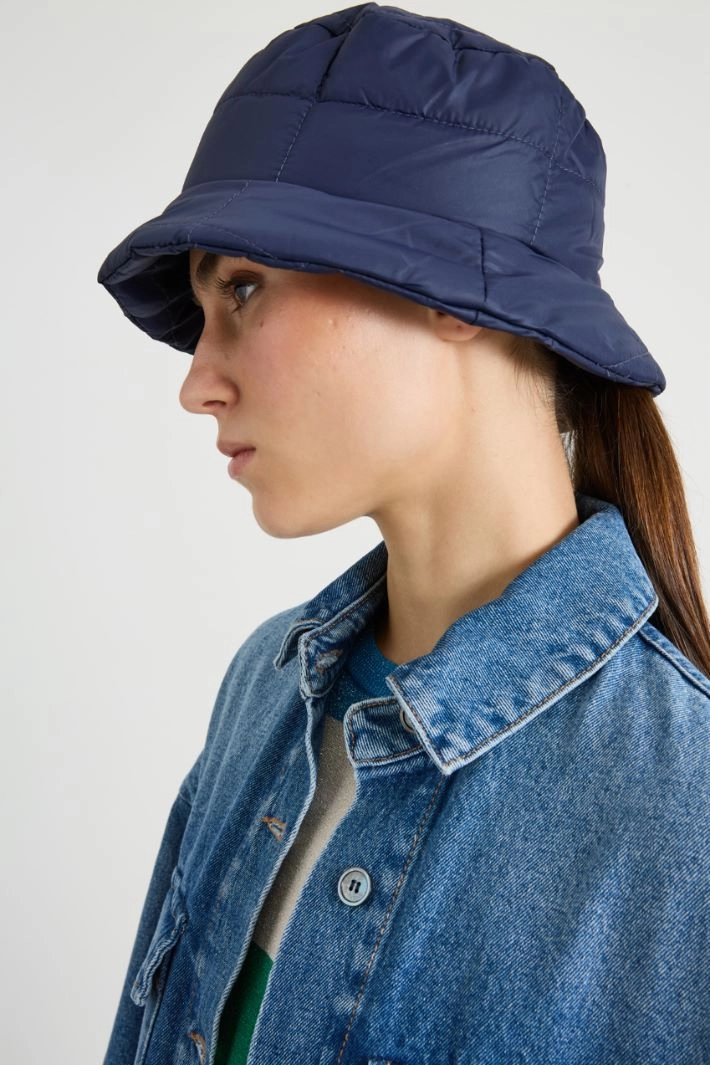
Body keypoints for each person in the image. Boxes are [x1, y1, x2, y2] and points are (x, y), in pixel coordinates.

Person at [96, 5, 709, 1064]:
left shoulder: (683, 809)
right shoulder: (264, 690)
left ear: (454, 293)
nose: (197, 383)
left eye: (243, 289)